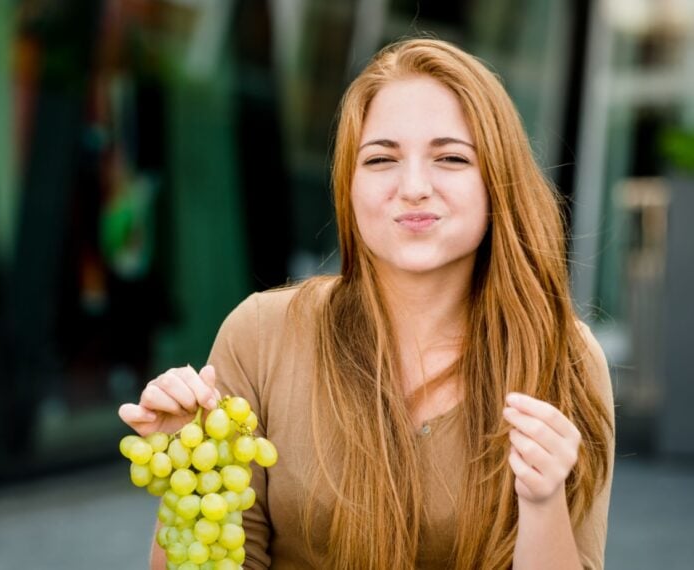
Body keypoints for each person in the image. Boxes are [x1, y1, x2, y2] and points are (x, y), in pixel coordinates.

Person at [119, 37, 614, 570]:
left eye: (450, 157)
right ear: (348, 186)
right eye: (381, 159)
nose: (415, 187)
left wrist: (542, 505)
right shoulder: (261, 334)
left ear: (497, 179)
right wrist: (192, 479)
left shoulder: (563, 356)